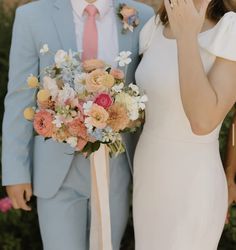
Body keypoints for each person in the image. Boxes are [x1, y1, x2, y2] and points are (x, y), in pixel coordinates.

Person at [1, 0, 154, 249]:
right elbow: (19, 98)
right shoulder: (32, 17)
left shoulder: (141, 16)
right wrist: (15, 170)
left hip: (116, 170)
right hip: (57, 172)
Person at [133, 0, 236, 249]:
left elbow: (202, 121)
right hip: (148, 174)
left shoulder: (230, 30)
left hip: (193, 180)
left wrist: (187, 36)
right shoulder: (153, 27)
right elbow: (147, 106)